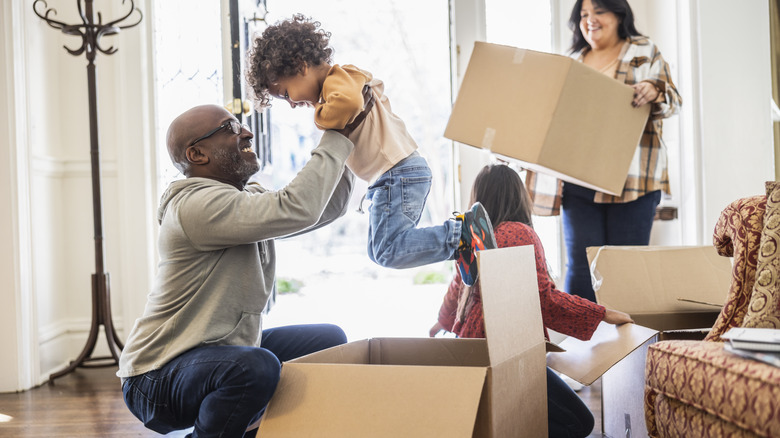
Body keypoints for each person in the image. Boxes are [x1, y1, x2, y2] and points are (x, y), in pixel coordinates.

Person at [117, 103, 368, 438]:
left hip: (215, 352)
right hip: (156, 376)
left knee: (328, 342)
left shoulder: (242, 199)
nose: (246, 132)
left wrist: (347, 138)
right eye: (229, 128)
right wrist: (334, 135)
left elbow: (324, 209)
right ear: (197, 153)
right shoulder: (194, 207)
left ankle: (261, 431)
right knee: (255, 367)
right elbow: (298, 208)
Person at [245, 14, 495, 287]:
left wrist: (319, 117)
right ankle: (461, 243)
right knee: (379, 251)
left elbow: (350, 104)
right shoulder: (338, 85)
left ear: (301, 66)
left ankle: (460, 234)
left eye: (284, 93)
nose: (291, 103)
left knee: (388, 250)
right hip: (395, 174)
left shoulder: (339, 79)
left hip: (397, 173)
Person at [430, 164, 634, 438]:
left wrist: (441, 321)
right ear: (518, 196)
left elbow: (458, 286)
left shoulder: (471, 236)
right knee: (579, 423)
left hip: (474, 350)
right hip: (507, 354)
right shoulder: (519, 233)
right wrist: (601, 313)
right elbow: (542, 299)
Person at [526, 0, 682, 302]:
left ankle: (629, 345)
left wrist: (655, 89)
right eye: (583, 15)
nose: (590, 20)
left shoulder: (643, 50)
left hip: (634, 181)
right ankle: (582, 344)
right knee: (581, 268)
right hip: (578, 180)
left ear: (619, 14)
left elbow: (674, 100)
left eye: (599, 11)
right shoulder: (573, 58)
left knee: (626, 271)